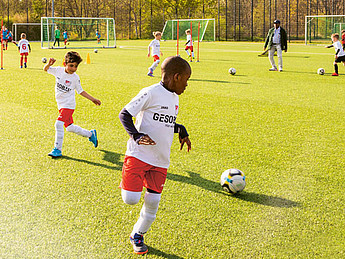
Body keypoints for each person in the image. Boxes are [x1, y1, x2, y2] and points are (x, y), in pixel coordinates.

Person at [118, 56, 192, 255]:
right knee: (131, 199)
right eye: (186, 79)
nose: (187, 84)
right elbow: (124, 114)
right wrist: (136, 135)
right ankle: (129, 177)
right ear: (176, 77)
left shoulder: (175, 98)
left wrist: (181, 129)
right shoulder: (150, 92)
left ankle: (137, 235)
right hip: (139, 155)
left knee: (153, 203)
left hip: (161, 160)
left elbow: (166, 123)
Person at [43, 51, 101, 158]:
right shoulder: (58, 71)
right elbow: (45, 69)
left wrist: (93, 99)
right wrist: (49, 64)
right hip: (60, 105)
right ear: (64, 64)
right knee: (69, 127)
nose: (73, 68)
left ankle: (57, 149)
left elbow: (80, 91)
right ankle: (90, 134)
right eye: (71, 65)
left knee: (58, 124)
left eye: (75, 66)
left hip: (69, 106)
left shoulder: (75, 78)